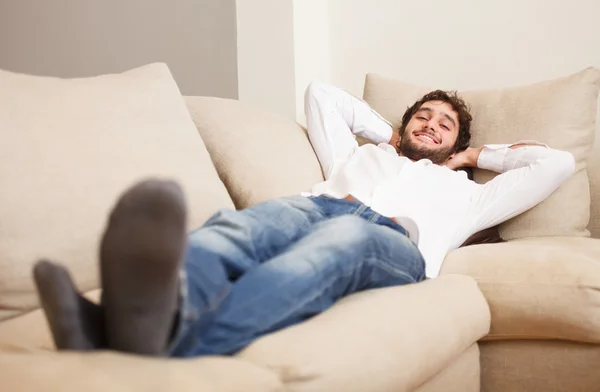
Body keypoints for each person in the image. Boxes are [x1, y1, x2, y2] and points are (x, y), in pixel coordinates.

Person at [33, 82, 575, 357]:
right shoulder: (357, 157)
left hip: (392, 241)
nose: (431, 126)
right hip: (313, 206)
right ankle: (118, 322)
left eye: (446, 125)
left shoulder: (469, 194)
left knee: (336, 243)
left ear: (458, 141)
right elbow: (322, 94)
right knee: (234, 228)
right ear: (402, 125)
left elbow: (556, 162)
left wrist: (478, 158)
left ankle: (183, 344)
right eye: (422, 117)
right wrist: (388, 137)